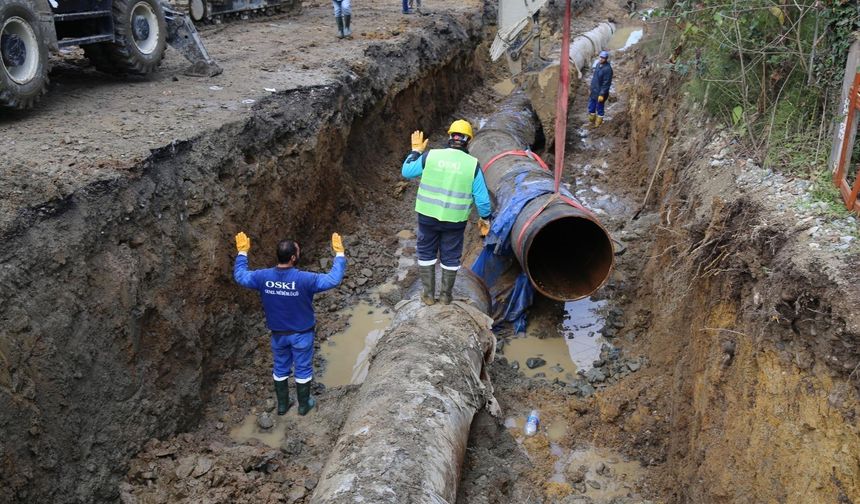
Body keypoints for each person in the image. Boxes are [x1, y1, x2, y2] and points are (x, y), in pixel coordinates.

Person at [233, 232, 347, 416]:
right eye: (298, 251)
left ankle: (283, 406)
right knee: (302, 368)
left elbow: (240, 276)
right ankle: (304, 405)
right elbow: (333, 279)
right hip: (302, 334)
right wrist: (340, 254)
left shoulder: (263, 277)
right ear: (293, 257)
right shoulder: (305, 279)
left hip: (278, 334)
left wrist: (242, 252)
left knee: (280, 368)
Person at [401, 119, 492, 306]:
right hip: (454, 222)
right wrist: (485, 218)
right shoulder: (472, 165)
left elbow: (407, 171)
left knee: (426, 252)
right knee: (450, 256)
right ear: (468, 140)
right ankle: (445, 297)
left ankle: (428, 295)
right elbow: (483, 200)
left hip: (427, 217)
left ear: (450, 136)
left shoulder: (431, 156)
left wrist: (415, 151)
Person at [588, 50, 613, 128]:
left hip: (600, 93)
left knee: (599, 108)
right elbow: (594, 78)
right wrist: (591, 88)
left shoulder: (608, 69)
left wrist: (602, 94)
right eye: (600, 57)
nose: (601, 59)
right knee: (591, 107)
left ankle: (599, 123)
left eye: (603, 58)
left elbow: (606, 83)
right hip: (594, 91)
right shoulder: (598, 65)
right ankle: (592, 120)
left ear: (606, 59)